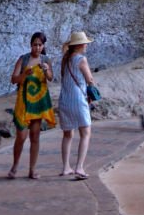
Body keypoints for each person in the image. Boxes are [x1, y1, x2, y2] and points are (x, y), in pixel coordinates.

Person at [8, 31, 55, 179]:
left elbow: (51, 78)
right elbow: (14, 79)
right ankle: (15, 166)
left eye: (40, 45)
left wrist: (46, 70)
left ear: (43, 46)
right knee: (21, 136)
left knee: (35, 136)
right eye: (35, 45)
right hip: (24, 101)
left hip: (39, 102)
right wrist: (24, 75)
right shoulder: (23, 59)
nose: (37, 48)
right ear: (30, 45)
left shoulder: (46, 60)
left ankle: (32, 169)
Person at [58, 30, 96, 179]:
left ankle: (66, 167)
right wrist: (92, 91)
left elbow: (63, 77)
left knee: (67, 134)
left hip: (65, 99)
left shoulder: (65, 59)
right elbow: (89, 79)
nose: (86, 45)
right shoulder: (81, 59)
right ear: (80, 45)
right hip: (78, 99)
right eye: (85, 43)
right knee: (85, 133)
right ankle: (79, 167)